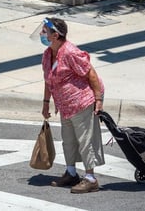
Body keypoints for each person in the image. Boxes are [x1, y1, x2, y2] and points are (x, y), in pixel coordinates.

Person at [39, 17, 105, 193]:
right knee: (68, 140)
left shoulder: (70, 52)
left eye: (45, 31)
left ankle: (91, 178)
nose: (41, 33)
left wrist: (98, 99)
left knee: (85, 141)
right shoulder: (48, 54)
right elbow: (48, 80)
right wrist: (46, 103)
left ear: (56, 35)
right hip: (65, 105)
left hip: (81, 102)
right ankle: (71, 173)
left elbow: (90, 73)